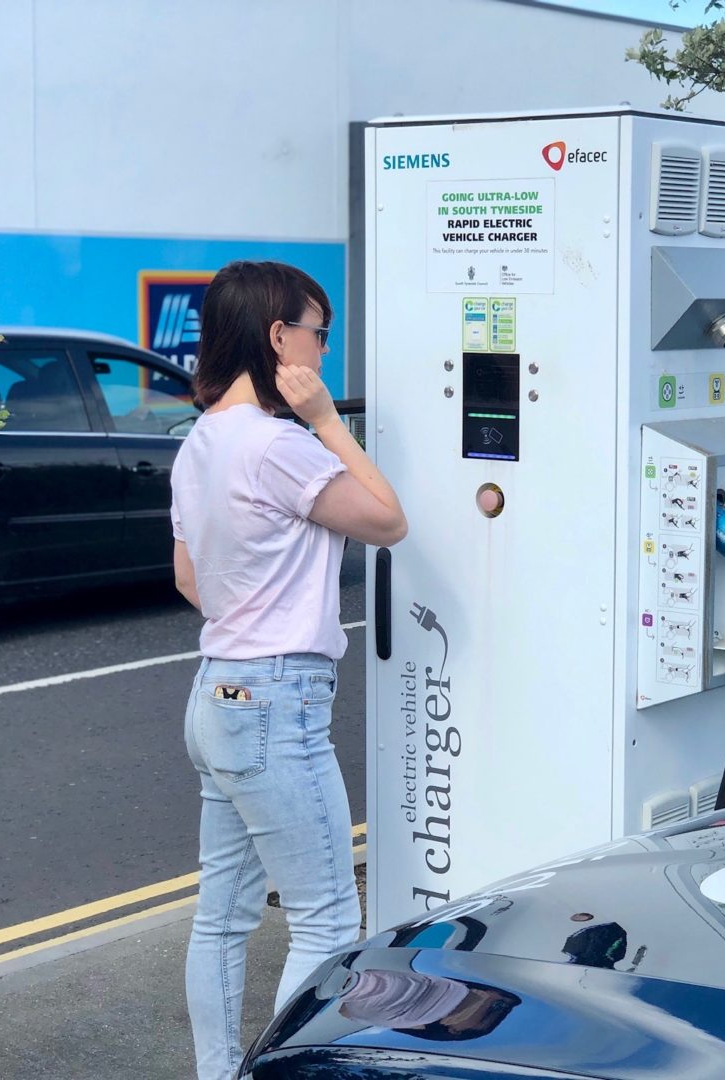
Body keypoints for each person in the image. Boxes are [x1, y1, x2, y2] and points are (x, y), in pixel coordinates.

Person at [169, 259, 407, 1080]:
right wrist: (329, 421)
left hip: (217, 692)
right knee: (329, 920)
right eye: (319, 333)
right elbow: (386, 519)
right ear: (279, 337)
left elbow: (189, 578)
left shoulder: (199, 441)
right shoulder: (278, 446)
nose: (323, 348)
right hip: (274, 700)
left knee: (221, 920)